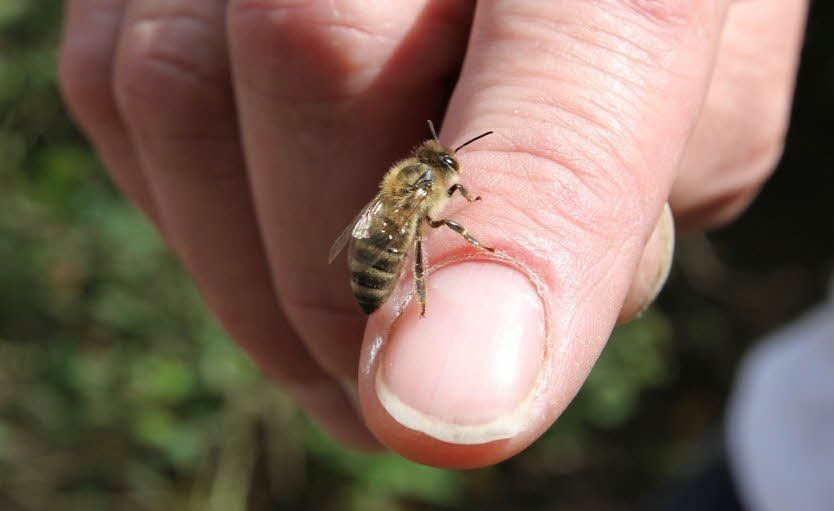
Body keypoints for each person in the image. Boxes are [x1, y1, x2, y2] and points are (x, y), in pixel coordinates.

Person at [58, 0, 808, 472]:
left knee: (411, 238)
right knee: (421, 243)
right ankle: (426, 303)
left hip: (761, 459)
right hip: (762, 459)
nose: (452, 179)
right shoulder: (426, 191)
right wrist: (473, 250)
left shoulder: (414, 178)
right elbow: (420, 217)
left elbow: (397, 209)